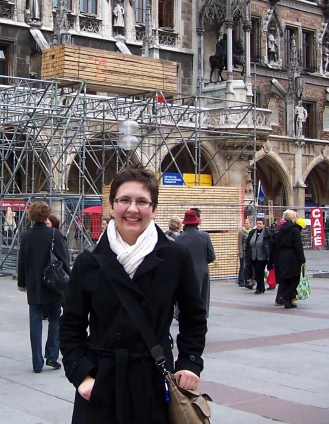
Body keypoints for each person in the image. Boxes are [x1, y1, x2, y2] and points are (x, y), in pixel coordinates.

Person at [59, 166, 207, 424]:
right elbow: (71, 324)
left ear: (154, 208)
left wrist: (189, 362)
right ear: (112, 205)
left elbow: (194, 317)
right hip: (101, 383)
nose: (132, 209)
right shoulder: (88, 261)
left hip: (152, 381)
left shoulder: (175, 257)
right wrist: (80, 375)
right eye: (124, 200)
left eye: (142, 201)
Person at [17, 202, 70, 373]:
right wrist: (69, 280)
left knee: (35, 321)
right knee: (55, 318)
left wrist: (22, 283)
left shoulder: (26, 236)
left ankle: (36, 362)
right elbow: (63, 259)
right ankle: (52, 356)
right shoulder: (54, 234)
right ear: (46, 215)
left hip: (34, 284)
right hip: (53, 283)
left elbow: (22, 262)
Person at [176, 209, 216, 316]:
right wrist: (202, 261)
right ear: (196, 221)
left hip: (185, 272)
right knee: (202, 294)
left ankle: (182, 313)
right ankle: (202, 314)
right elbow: (212, 256)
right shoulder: (205, 236)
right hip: (202, 271)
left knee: (185, 293)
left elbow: (176, 257)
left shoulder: (179, 238)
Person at [275, 210, 305, 309]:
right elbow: (298, 246)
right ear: (293, 218)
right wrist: (302, 260)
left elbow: (276, 243)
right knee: (295, 278)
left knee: (287, 278)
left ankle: (288, 302)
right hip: (292, 256)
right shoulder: (295, 230)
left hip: (282, 255)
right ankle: (285, 296)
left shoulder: (282, 229)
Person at [246, 218, 273, 294]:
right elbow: (248, 243)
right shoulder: (252, 232)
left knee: (259, 271)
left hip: (262, 257)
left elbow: (270, 245)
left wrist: (270, 257)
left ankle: (259, 288)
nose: (258, 225)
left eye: (260, 224)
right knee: (257, 272)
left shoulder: (267, 234)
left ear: (264, 225)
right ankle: (261, 287)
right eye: (257, 223)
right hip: (253, 256)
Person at [237, 218, 252, 287]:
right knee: (242, 266)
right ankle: (241, 280)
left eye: (247, 223)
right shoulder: (241, 232)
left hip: (249, 251)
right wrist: (240, 252)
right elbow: (239, 243)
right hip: (243, 250)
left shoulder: (251, 231)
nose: (246, 224)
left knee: (247, 266)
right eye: (245, 223)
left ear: (250, 224)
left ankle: (247, 279)